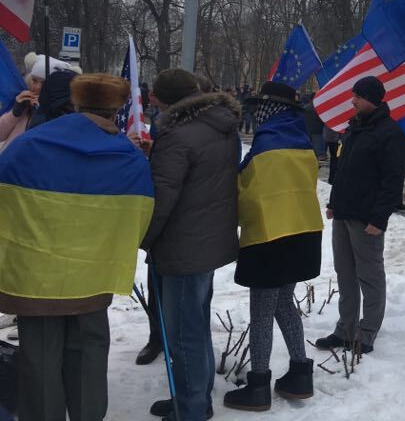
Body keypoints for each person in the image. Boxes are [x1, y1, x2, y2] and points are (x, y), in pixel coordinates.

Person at [0, 73, 153, 421]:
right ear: (116, 110)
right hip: (93, 279)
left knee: (39, 364)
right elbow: (139, 222)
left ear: (75, 103)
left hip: (33, 280)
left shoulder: (28, 145)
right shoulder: (129, 159)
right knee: (89, 360)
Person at [141, 69, 242, 421]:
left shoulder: (177, 134)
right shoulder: (217, 125)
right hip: (207, 240)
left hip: (183, 245)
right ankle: (195, 398)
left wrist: (144, 238)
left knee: (183, 334)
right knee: (194, 325)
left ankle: (191, 409)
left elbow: (162, 197)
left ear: (163, 98)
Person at [224, 82, 324, 411]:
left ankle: (258, 386)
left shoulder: (268, 143)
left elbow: (250, 195)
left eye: (260, 107)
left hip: (271, 237)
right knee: (284, 303)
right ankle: (300, 374)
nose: (256, 112)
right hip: (303, 233)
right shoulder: (303, 142)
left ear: (271, 110)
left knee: (262, 312)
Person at [316, 76, 405, 354]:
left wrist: (379, 219)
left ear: (373, 99)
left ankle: (367, 332)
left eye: (358, 96)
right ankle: (345, 329)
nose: (352, 100)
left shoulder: (389, 133)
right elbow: (341, 171)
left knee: (369, 274)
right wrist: (334, 202)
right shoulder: (353, 128)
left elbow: (392, 181)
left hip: (367, 219)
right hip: (343, 213)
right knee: (345, 273)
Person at [0, 55, 71, 152]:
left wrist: (40, 112)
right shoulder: (24, 104)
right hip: (9, 162)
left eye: (43, 83)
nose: (37, 87)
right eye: (34, 80)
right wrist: (14, 113)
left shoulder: (62, 111)